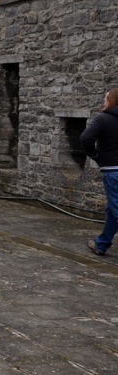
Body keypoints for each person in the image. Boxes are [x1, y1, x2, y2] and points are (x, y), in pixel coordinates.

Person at [83, 86, 118, 256]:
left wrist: (95, 155)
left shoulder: (102, 119)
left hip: (113, 171)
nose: (104, 102)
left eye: (105, 98)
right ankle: (101, 244)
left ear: (111, 100)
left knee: (116, 208)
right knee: (113, 208)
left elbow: (86, 138)